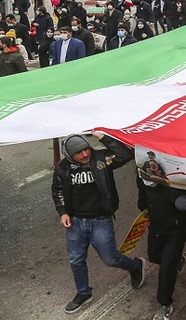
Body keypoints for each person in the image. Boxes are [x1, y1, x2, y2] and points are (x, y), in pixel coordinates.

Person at [51, 132, 144, 314]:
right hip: (76, 222)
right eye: (79, 152)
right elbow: (57, 190)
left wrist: (102, 137)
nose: (85, 154)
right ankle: (83, 293)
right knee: (76, 259)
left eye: (86, 149)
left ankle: (135, 266)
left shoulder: (101, 159)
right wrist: (63, 213)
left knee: (110, 258)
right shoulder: (62, 168)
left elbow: (125, 155)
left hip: (100, 219)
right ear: (69, 155)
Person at [136, 166, 186, 320]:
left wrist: (166, 184)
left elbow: (182, 200)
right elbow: (143, 199)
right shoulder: (141, 179)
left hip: (176, 228)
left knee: (166, 267)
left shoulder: (174, 181)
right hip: (157, 227)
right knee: (154, 256)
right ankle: (178, 260)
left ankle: (164, 303)